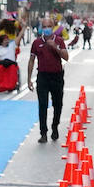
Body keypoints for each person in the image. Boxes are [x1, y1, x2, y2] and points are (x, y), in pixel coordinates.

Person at [27, 16, 69, 144]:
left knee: (58, 104)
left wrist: (55, 47)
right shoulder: (36, 42)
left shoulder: (59, 40)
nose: (46, 29)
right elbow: (31, 60)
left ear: (53, 27)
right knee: (43, 105)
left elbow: (66, 57)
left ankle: (55, 126)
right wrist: (29, 79)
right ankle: (43, 133)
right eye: (44, 27)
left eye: (48, 26)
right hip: (43, 76)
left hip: (56, 76)